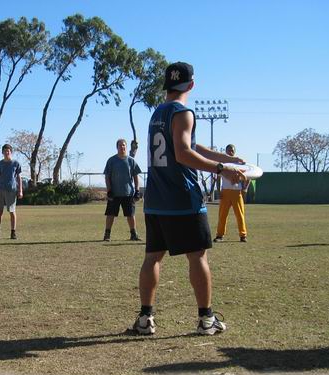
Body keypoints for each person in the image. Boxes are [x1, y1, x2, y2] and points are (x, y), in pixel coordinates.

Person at [132, 61, 246, 336]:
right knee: (198, 257)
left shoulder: (158, 113)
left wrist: (225, 158)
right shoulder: (183, 113)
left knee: (152, 258)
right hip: (182, 199)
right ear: (191, 85)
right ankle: (206, 320)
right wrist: (222, 168)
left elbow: (190, 145)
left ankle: (145, 319)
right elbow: (183, 153)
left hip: (156, 200)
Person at [103, 138, 142, 241]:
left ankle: (134, 234)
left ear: (126, 147)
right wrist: (109, 191)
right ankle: (107, 234)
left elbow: (136, 177)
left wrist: (137, 190)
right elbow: (107, 177)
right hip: (114, 193)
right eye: (120, 145)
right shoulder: (111, 160)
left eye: (124, 145)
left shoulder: (131, 160)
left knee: (131, 214)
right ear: (117, 147)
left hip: (128, 193)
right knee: (110, 214)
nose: (122, 147)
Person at [214, 144, 249, 243]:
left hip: (237, 192)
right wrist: (218, 191)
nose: (230, 152)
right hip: (225, 192)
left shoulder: (240, 164)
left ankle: (243, 235)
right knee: (222, 215)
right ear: (226, 151)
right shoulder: (222, 164)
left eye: (232, 150)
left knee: (240, 214)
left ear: (234, 152)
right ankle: (219, 235)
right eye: (228, 150)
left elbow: (248, 176)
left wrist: (245, 188)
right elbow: (218, 178)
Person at [0, 144, 23, 240]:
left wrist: (20, 190)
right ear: (2, 152)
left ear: (11, 152)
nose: (6, 152)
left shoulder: (16, 163)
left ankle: (13, 233)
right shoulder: (0, 164)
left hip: (11, 190)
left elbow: (19, 178)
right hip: (0, 190)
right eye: (5, 151)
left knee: (12, 211)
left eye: (8, 151)